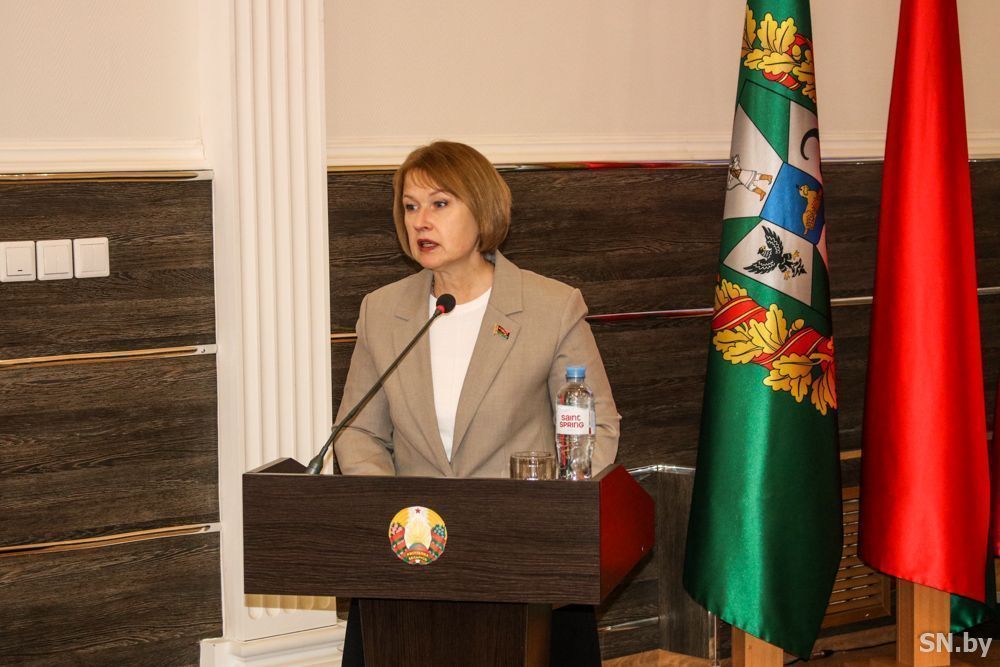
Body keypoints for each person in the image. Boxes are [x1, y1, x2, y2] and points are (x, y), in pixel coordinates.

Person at [335, 141, 620, 666]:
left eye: (440, 204)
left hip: (520, 559)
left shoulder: (551, 306)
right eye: (410, 206)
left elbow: (596, 425)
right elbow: (359, 432)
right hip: (412, 558)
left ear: (483, 210)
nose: (421, 221)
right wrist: (395, 514)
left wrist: (552, 518)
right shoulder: (382, 310)